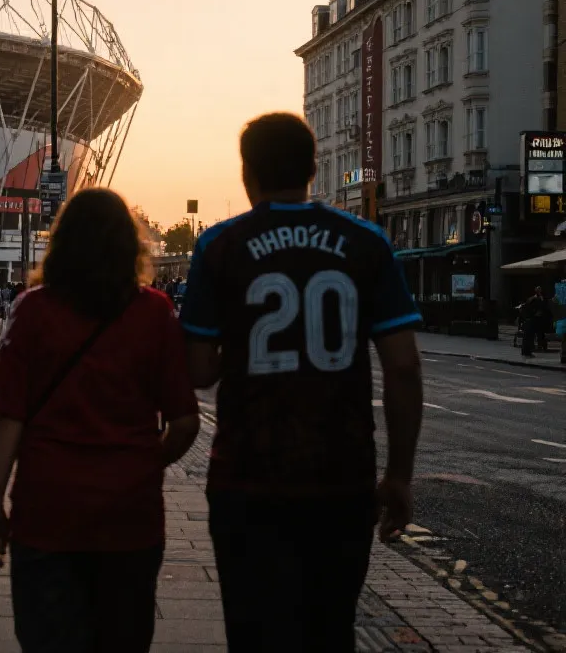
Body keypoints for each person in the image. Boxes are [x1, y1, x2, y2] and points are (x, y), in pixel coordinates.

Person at [180, 112, 424, 652]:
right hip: (340, 479)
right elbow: (404, 366)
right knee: (329, 631)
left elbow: (198, 370)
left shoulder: (220, 245)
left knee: (253, 633)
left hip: (246, 478)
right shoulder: (366, 241)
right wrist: (399, 475)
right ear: (314, 170)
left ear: (247, 172)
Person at [0, 188, 201, 653]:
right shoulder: (155, 312)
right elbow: (184, 423)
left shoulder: (33, 310)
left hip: (46, 514)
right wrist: (143, 463)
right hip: (130, 520)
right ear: (129, 246)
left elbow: (8, 416)